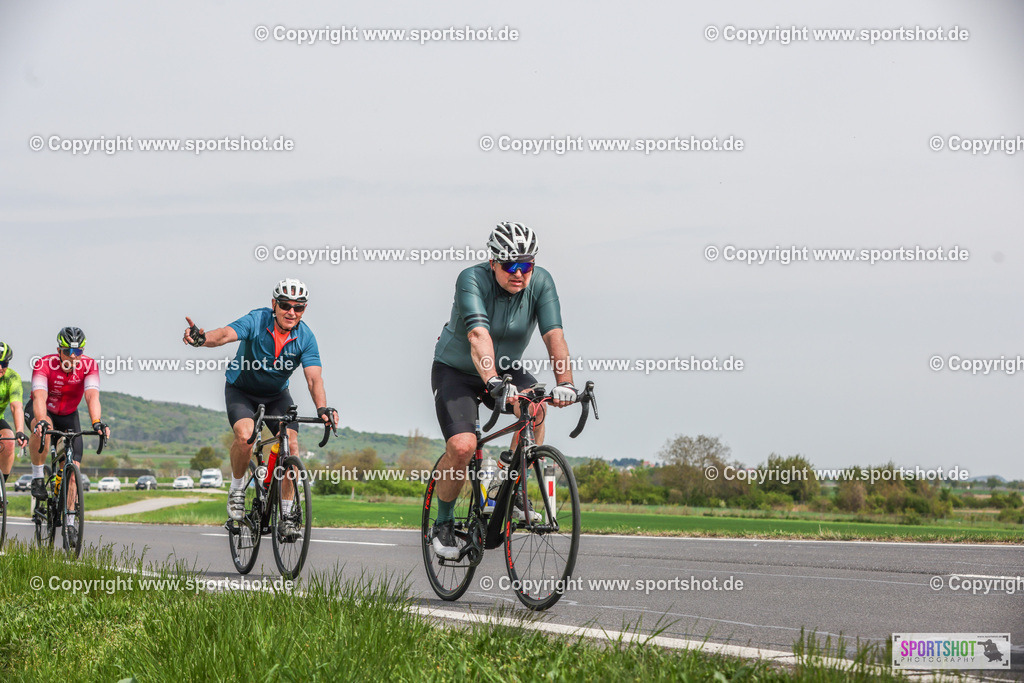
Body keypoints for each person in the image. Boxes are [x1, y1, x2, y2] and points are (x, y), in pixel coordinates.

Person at [429, 222, 578, 559]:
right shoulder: (471, 279)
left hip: (507, 368)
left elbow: (554, 335)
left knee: (536, 407)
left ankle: (506, 485)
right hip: (458, 370)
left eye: (526, 265)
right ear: (493, 262)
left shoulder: (541, 283)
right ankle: (443, 522)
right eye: (510, 266)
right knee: (463, 446)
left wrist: (565, 382)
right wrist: (492, 380)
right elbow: (477, 335)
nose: (519, 273)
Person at [183, 278, 338, 538]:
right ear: (274, 304)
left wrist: (322, 409)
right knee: (246, 437)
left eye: (298, 307)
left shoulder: (306, 337)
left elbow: (314, 378)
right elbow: (224, 334)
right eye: (286, 305)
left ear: (304, 310)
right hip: (242, 391)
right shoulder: (257, 320)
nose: (291, 312)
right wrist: (201, 339)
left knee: (291, 445)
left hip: (276, 395)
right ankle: (237, 490)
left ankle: (287, 516)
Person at [28, 327, 110, 546]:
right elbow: (39, 396)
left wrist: (97, 422)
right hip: (43, 410)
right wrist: (41, 419)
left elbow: (92, 396)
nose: (73, 357)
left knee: (73, 470)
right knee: (42, 427)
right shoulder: (44, 364)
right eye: (68, 351)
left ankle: (70, 523)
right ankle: (38, 476)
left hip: (69, 416)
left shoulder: (89, 366)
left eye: (78, 352)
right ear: (59, 351)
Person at [0, 342, 28, 484]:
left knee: (9, 441)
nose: (0, 368)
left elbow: (16, 406)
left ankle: (0, 487)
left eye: (4, 364)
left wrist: (20, 431)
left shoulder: (12, 378)